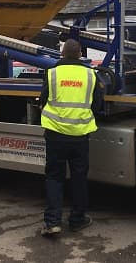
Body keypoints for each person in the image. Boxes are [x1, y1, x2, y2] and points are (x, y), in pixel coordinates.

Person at [39, 39, 103, 236]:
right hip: (79, 136)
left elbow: (43, 101)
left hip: (55, 135)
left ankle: (52, 223)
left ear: (62, 53)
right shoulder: (91, 75)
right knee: (79, 179)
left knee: (54, 178)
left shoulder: (52, 73)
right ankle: (77, 220)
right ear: (80, 54)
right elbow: (97, 105)